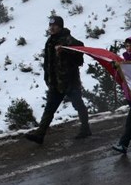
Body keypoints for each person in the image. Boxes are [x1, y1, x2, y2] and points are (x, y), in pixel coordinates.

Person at [25, 15, 90, 144]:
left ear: (60, 26)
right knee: (49, 108)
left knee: (78, 105)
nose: (52, 27)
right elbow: (47, 62)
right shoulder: (50, 41)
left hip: (70, 81)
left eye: (54, 25)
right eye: (50, 25)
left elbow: (79, 51)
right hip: (55, 82)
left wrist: (65, 50)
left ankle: (85, 128)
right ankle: (40, 133)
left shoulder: (68, 39)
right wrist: (47, 77)